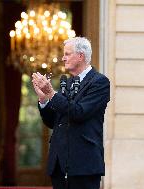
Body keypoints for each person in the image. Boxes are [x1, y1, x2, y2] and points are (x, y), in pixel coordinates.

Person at [32, 37, 110, 189]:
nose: (63, 58)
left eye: (67, 54)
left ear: (80, 56)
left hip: (84, 165)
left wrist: (51, 93)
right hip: (59, 164)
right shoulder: (66, 83)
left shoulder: (100, 82)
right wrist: (44, 99)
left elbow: (79, 112)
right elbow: (53, 122)